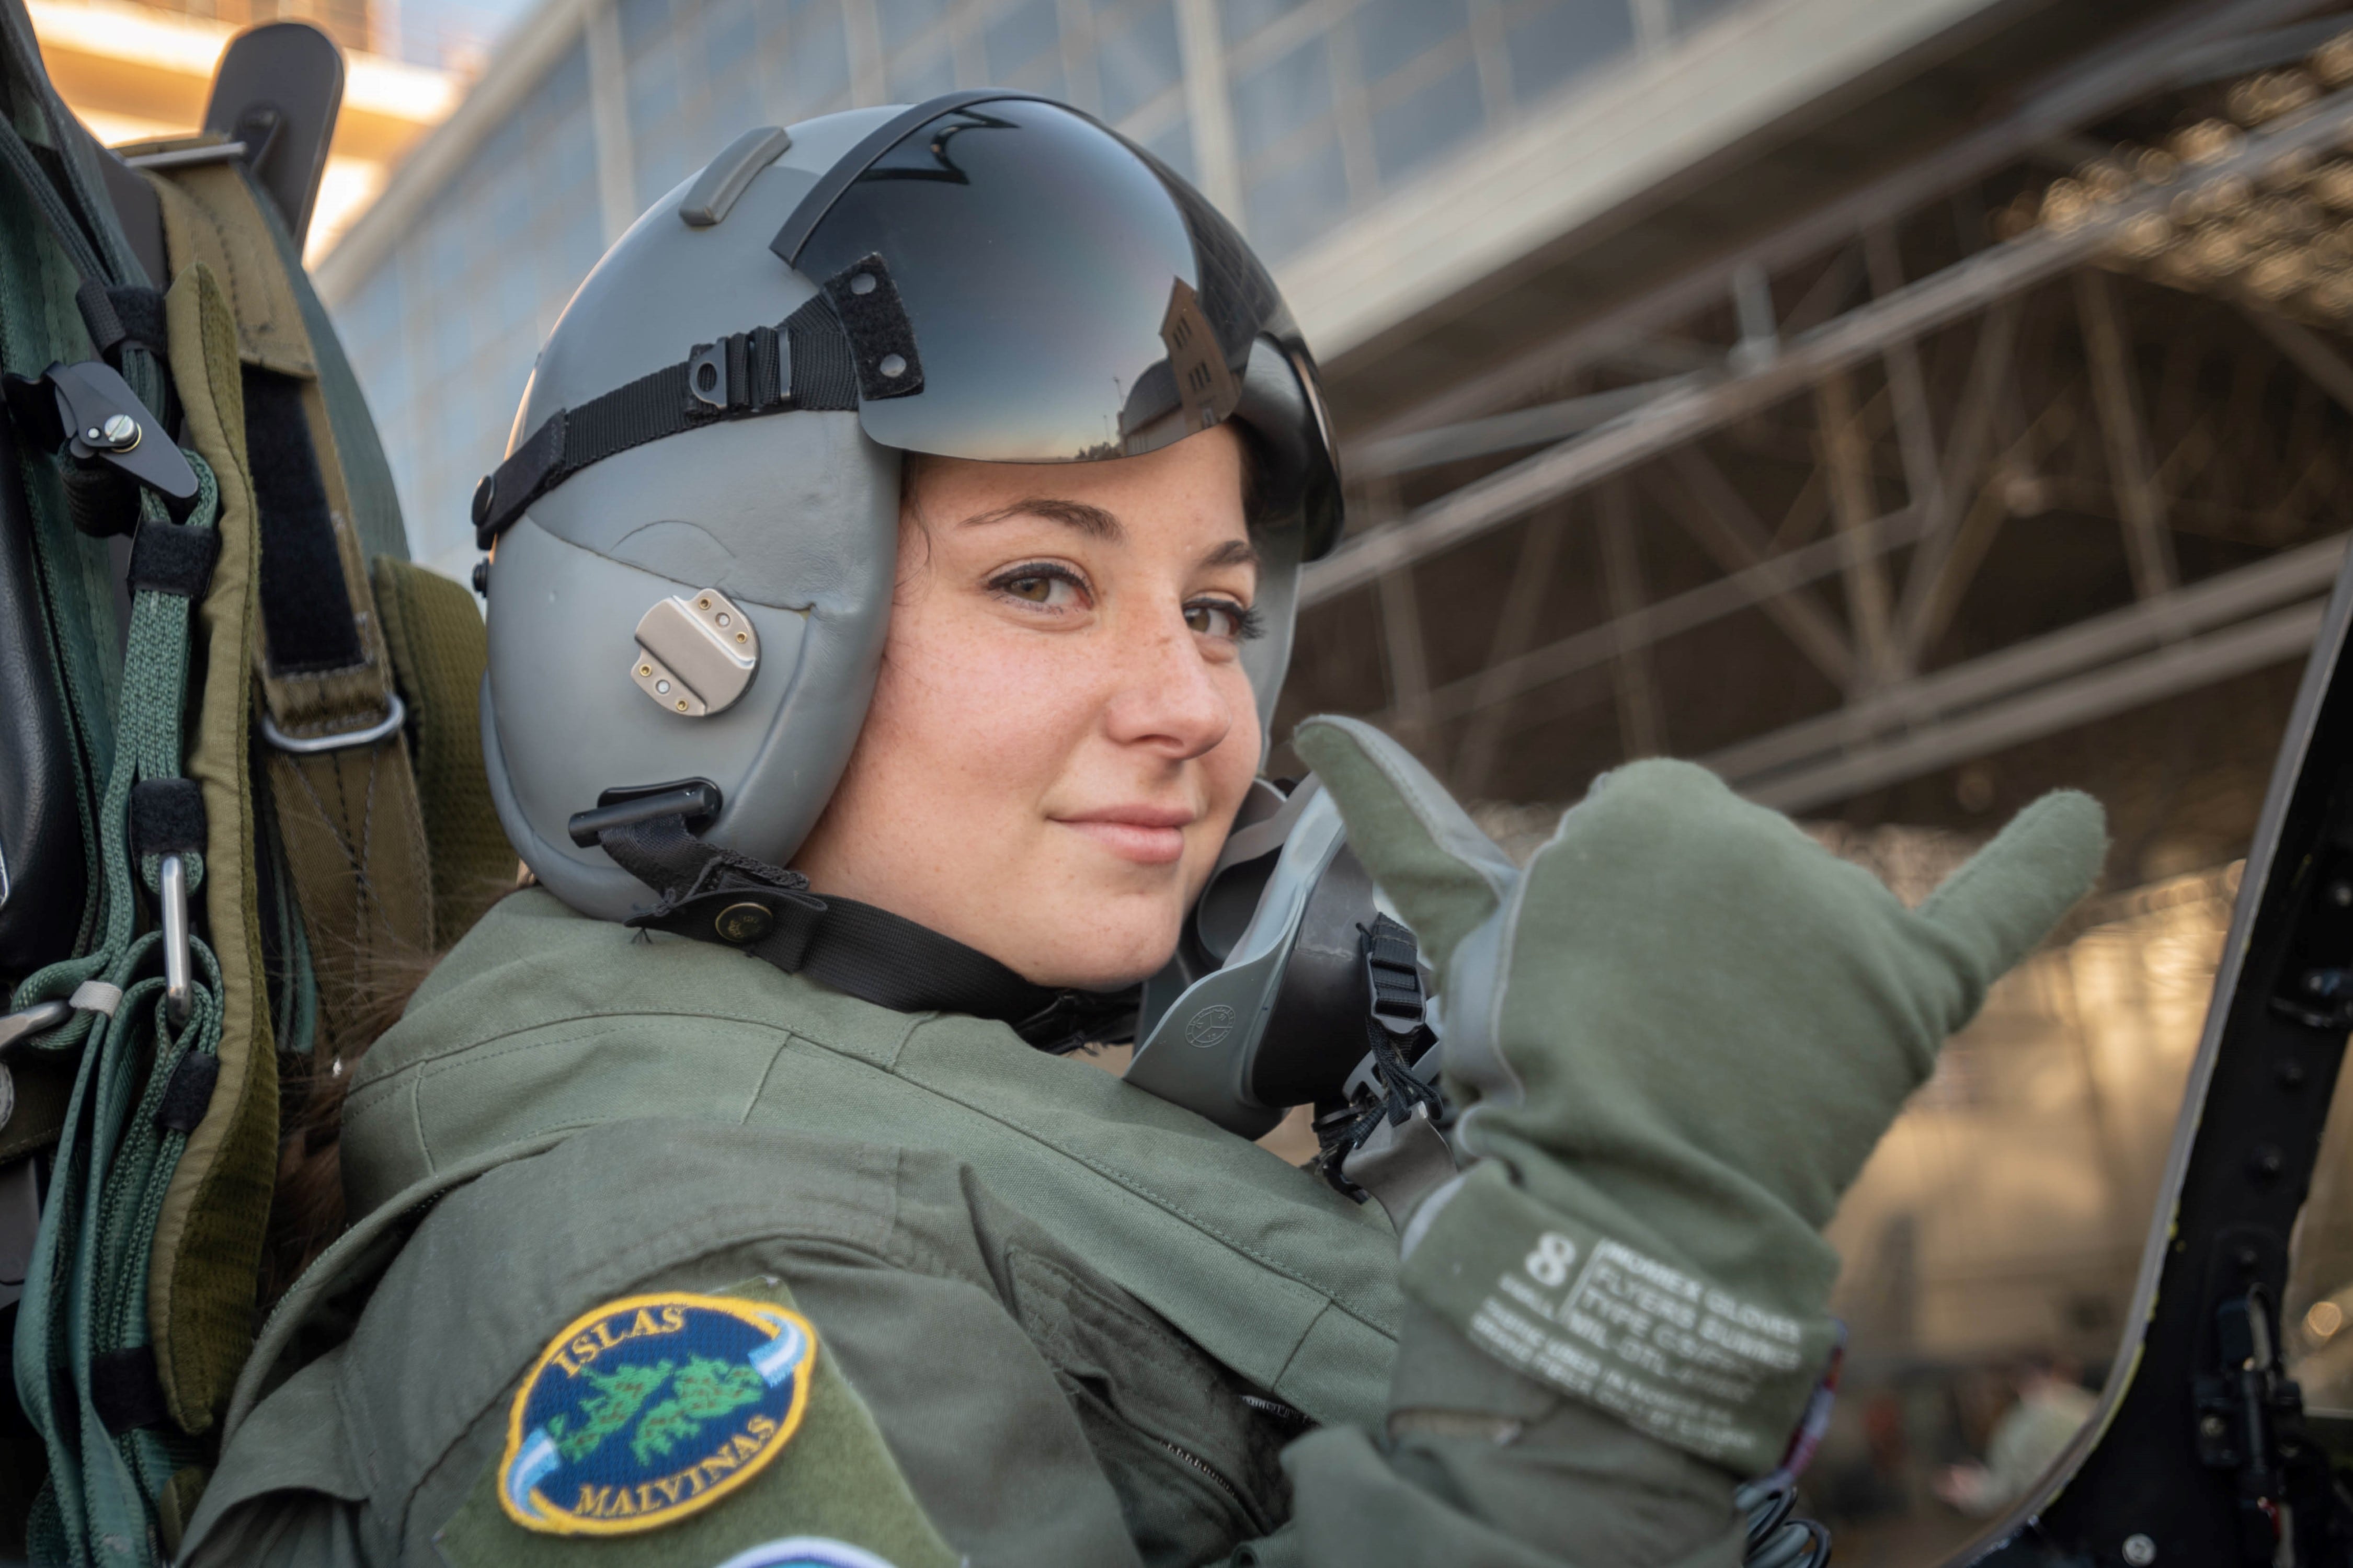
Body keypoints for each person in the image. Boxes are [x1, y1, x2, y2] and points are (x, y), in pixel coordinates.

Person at [172, 95, 2108, 1568]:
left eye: (1209, 606)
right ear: (690, 645)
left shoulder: (935, 1150)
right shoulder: (663, 1300)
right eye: (1041, 581)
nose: (1195, 705)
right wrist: (1600, 1341)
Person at [1934, 1354, 2097, 1517]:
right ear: (2058, 1372)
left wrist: (1972, 1488)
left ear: (2018, 1383)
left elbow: (2003, 1488)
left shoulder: (2018, 1428)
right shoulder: (2089, 1407)